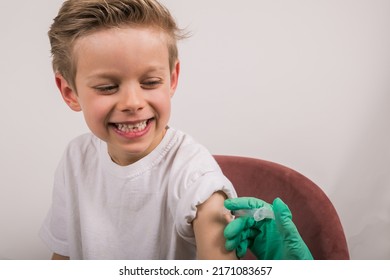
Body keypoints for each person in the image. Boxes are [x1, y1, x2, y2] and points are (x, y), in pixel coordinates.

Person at [39, 0, 238, 260]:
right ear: (69, 92)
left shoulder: (196, 180)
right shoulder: (76, 158)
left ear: (172, 79)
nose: (133, 103)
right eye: (107, 87)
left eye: (150, 82)